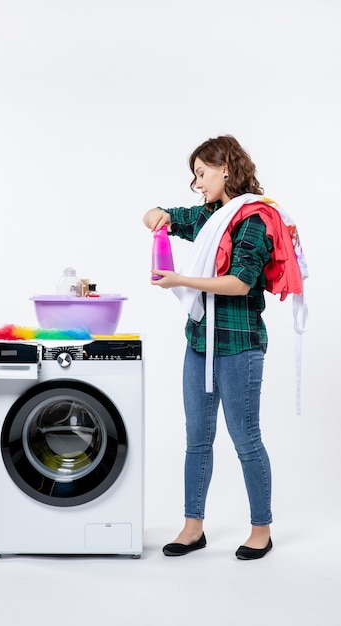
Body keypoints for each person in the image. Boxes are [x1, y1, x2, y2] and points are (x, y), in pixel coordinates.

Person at [143, 134, 302, 560]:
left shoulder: (253, 218)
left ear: (225, 168)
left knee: (246, 439)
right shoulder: (212, 216)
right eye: (193, 175)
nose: (197, 183)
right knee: (197, 438)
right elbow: (168, 216)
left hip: (239, 346)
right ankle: (193, 527)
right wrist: (156, 216)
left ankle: (261, 529)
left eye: (201, 172)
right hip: (200, 341)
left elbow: (240, 282)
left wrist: (180, 280)